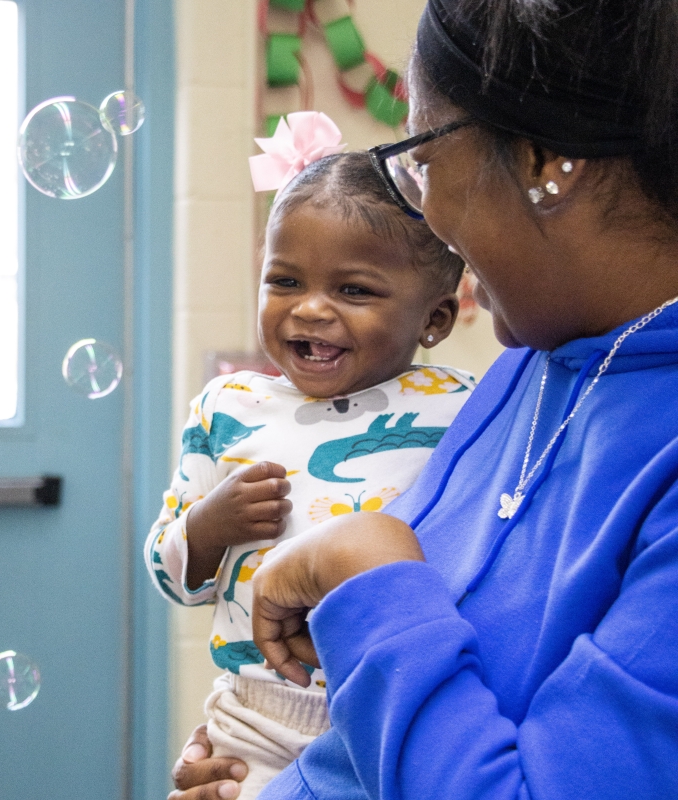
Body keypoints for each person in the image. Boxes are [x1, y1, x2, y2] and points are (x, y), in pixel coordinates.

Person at [169, 0, 678, 798]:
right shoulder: (531, 369)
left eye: (423, 160)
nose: (426, 211)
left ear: (545, 160)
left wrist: (362, 569)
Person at [146, 120, 472, 800]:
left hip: (397, 701)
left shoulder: (463, 406)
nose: (311, 309)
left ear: (434, 319)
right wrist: (209, 525)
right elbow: (174, 579)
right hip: (256, 719)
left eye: (354, 291)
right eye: (285, 280)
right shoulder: (226, 407)